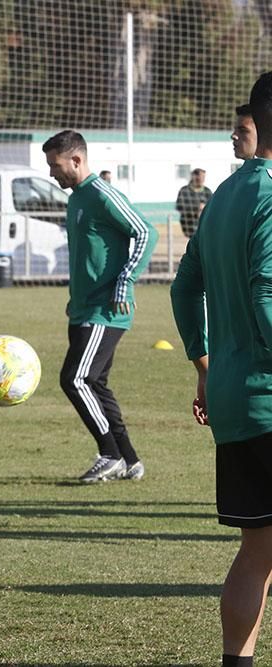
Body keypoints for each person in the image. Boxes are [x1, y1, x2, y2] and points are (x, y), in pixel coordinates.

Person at [170, 72, 272, 667]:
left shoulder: (225, 196)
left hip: (235, 397)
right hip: (266, 393)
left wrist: (204, 367)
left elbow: (186, 290)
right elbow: (266, 302)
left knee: (257, 550)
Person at [43, 130, 157, 483]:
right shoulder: (76, 198)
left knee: (75, 379)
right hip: (83, 309)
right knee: (96, 384)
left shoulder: (100, 194)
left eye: (55, 165)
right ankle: (129, 459)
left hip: (106, 309)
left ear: (76, 160)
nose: (52, 173)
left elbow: (145, 231)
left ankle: (109, 453)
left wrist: (124, 281)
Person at [176, 168, 213, 238]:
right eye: (199, 177)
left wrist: (204, 209)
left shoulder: (207, 191)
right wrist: (197, 209)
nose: (202, 179)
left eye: (203, 177)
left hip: (205, 225)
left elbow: (213, 207)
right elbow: (179, 206)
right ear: (193, 177)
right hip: (189, 225)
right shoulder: (184, 191)